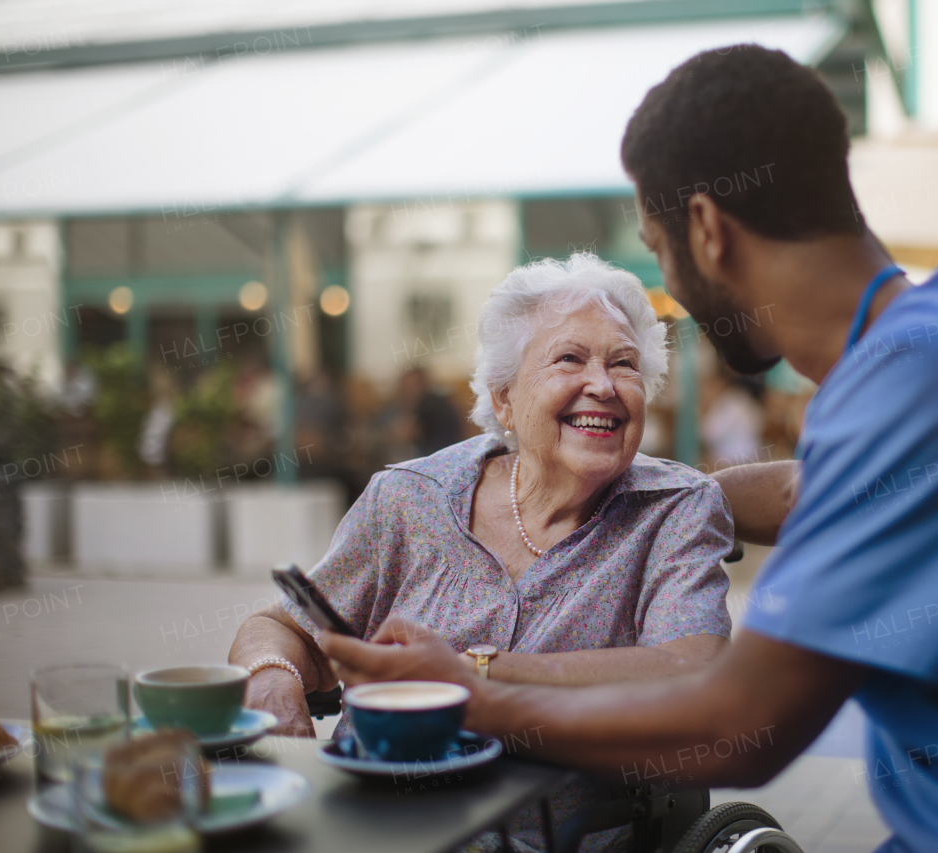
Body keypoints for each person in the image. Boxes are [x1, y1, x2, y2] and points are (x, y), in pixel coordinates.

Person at [318, 46, 938, 852]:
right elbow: (833, 492)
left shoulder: (916, 380)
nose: (669, 288)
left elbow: (744, 726)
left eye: (659, 248)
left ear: (708, 229)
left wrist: (468, 696)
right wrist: (679, 493)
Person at [228, 253, 733, 851]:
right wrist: (273, 678)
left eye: (624, 364)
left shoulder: (675, 509)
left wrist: (473, 674)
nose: (602, 384)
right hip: (368, 823)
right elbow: (279, 626)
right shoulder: (410, 497)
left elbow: (694, 669)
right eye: (570, 358)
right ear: (504, 400)